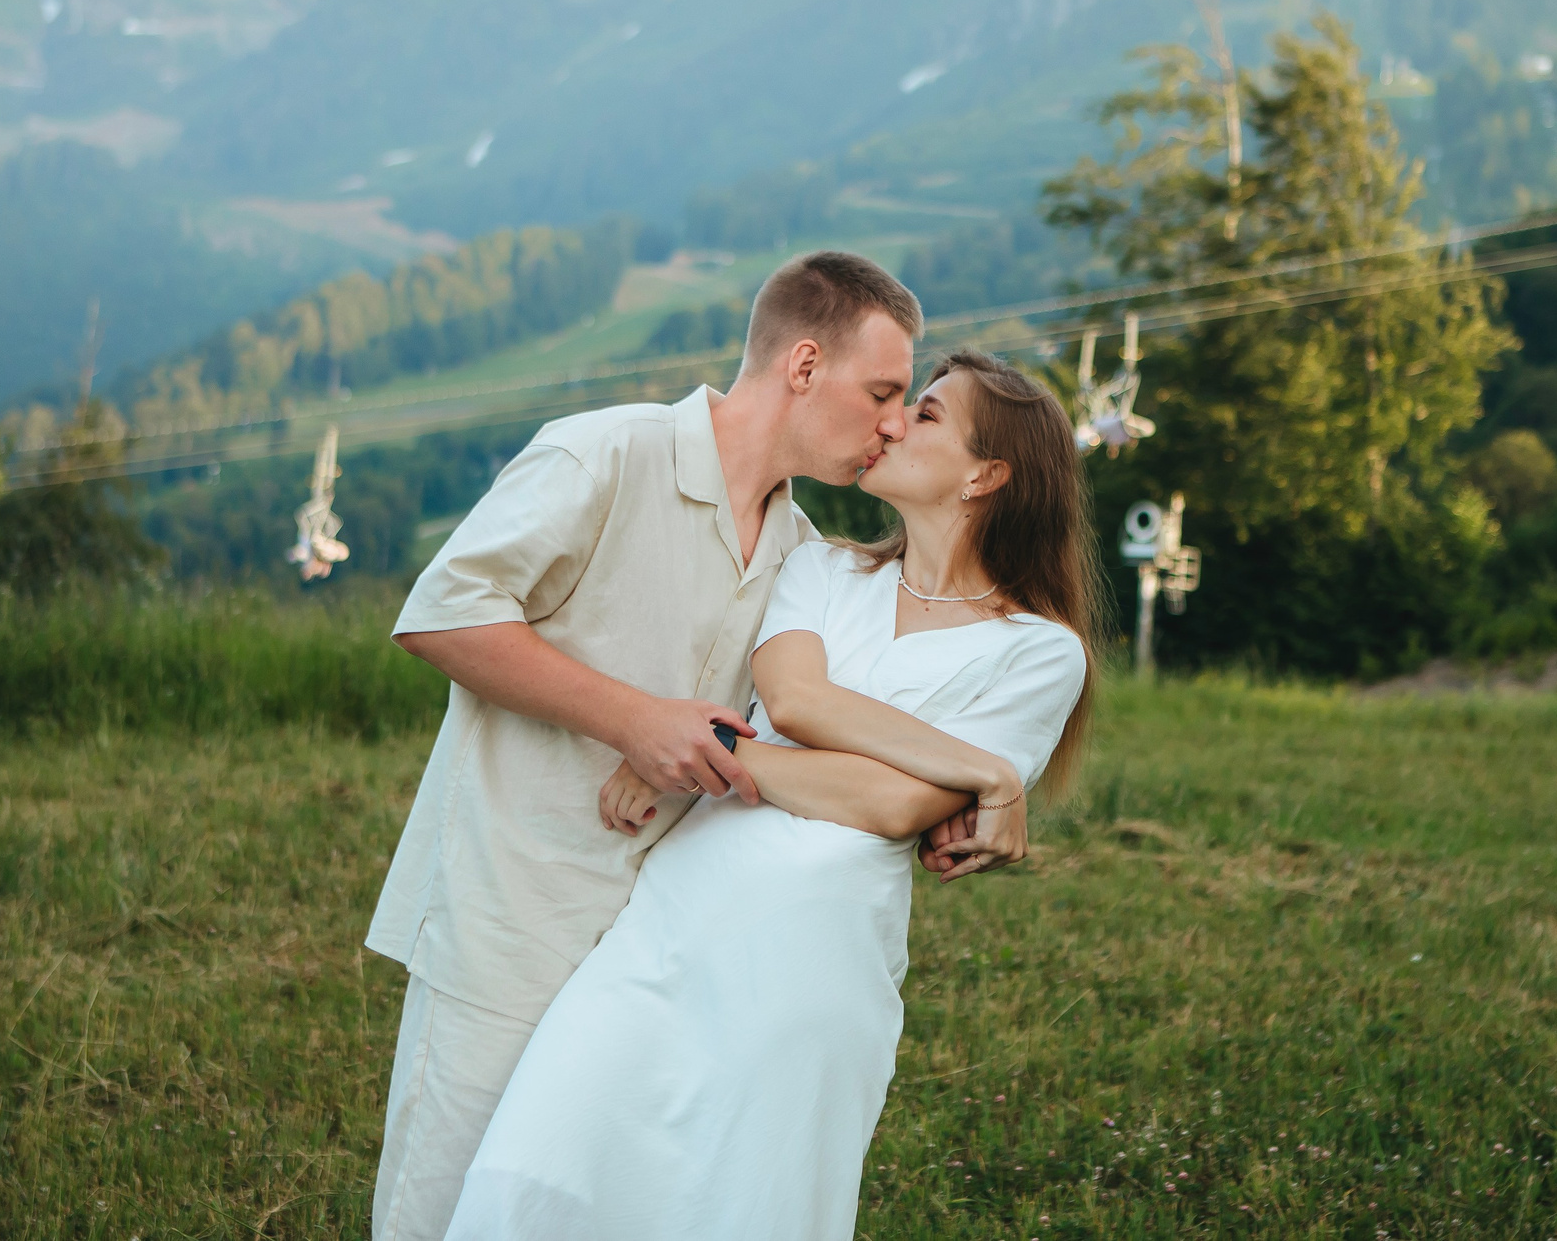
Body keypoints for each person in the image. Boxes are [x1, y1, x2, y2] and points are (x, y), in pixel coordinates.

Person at [445, 350, 1104, 1241]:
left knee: (742, 1208)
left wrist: (714, 755)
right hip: (673, 922)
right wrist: (980, 770)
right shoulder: (824, 570)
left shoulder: (1039, 652)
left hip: (814, 971)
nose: (895, 420)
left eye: (930, 413)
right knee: (544, 1170)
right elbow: (796, 700)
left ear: (987, 474)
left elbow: (894, 807)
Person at [365, 251, 926, 1241]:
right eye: (882, 391)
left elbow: (816, 731)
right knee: (443, 1218)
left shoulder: (803, 556)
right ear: (803, 365)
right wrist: (634, 718)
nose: (894, 423)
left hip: (650, 958)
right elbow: (441, 615)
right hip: (511, 918)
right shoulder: (603, 455)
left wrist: (968, 799)